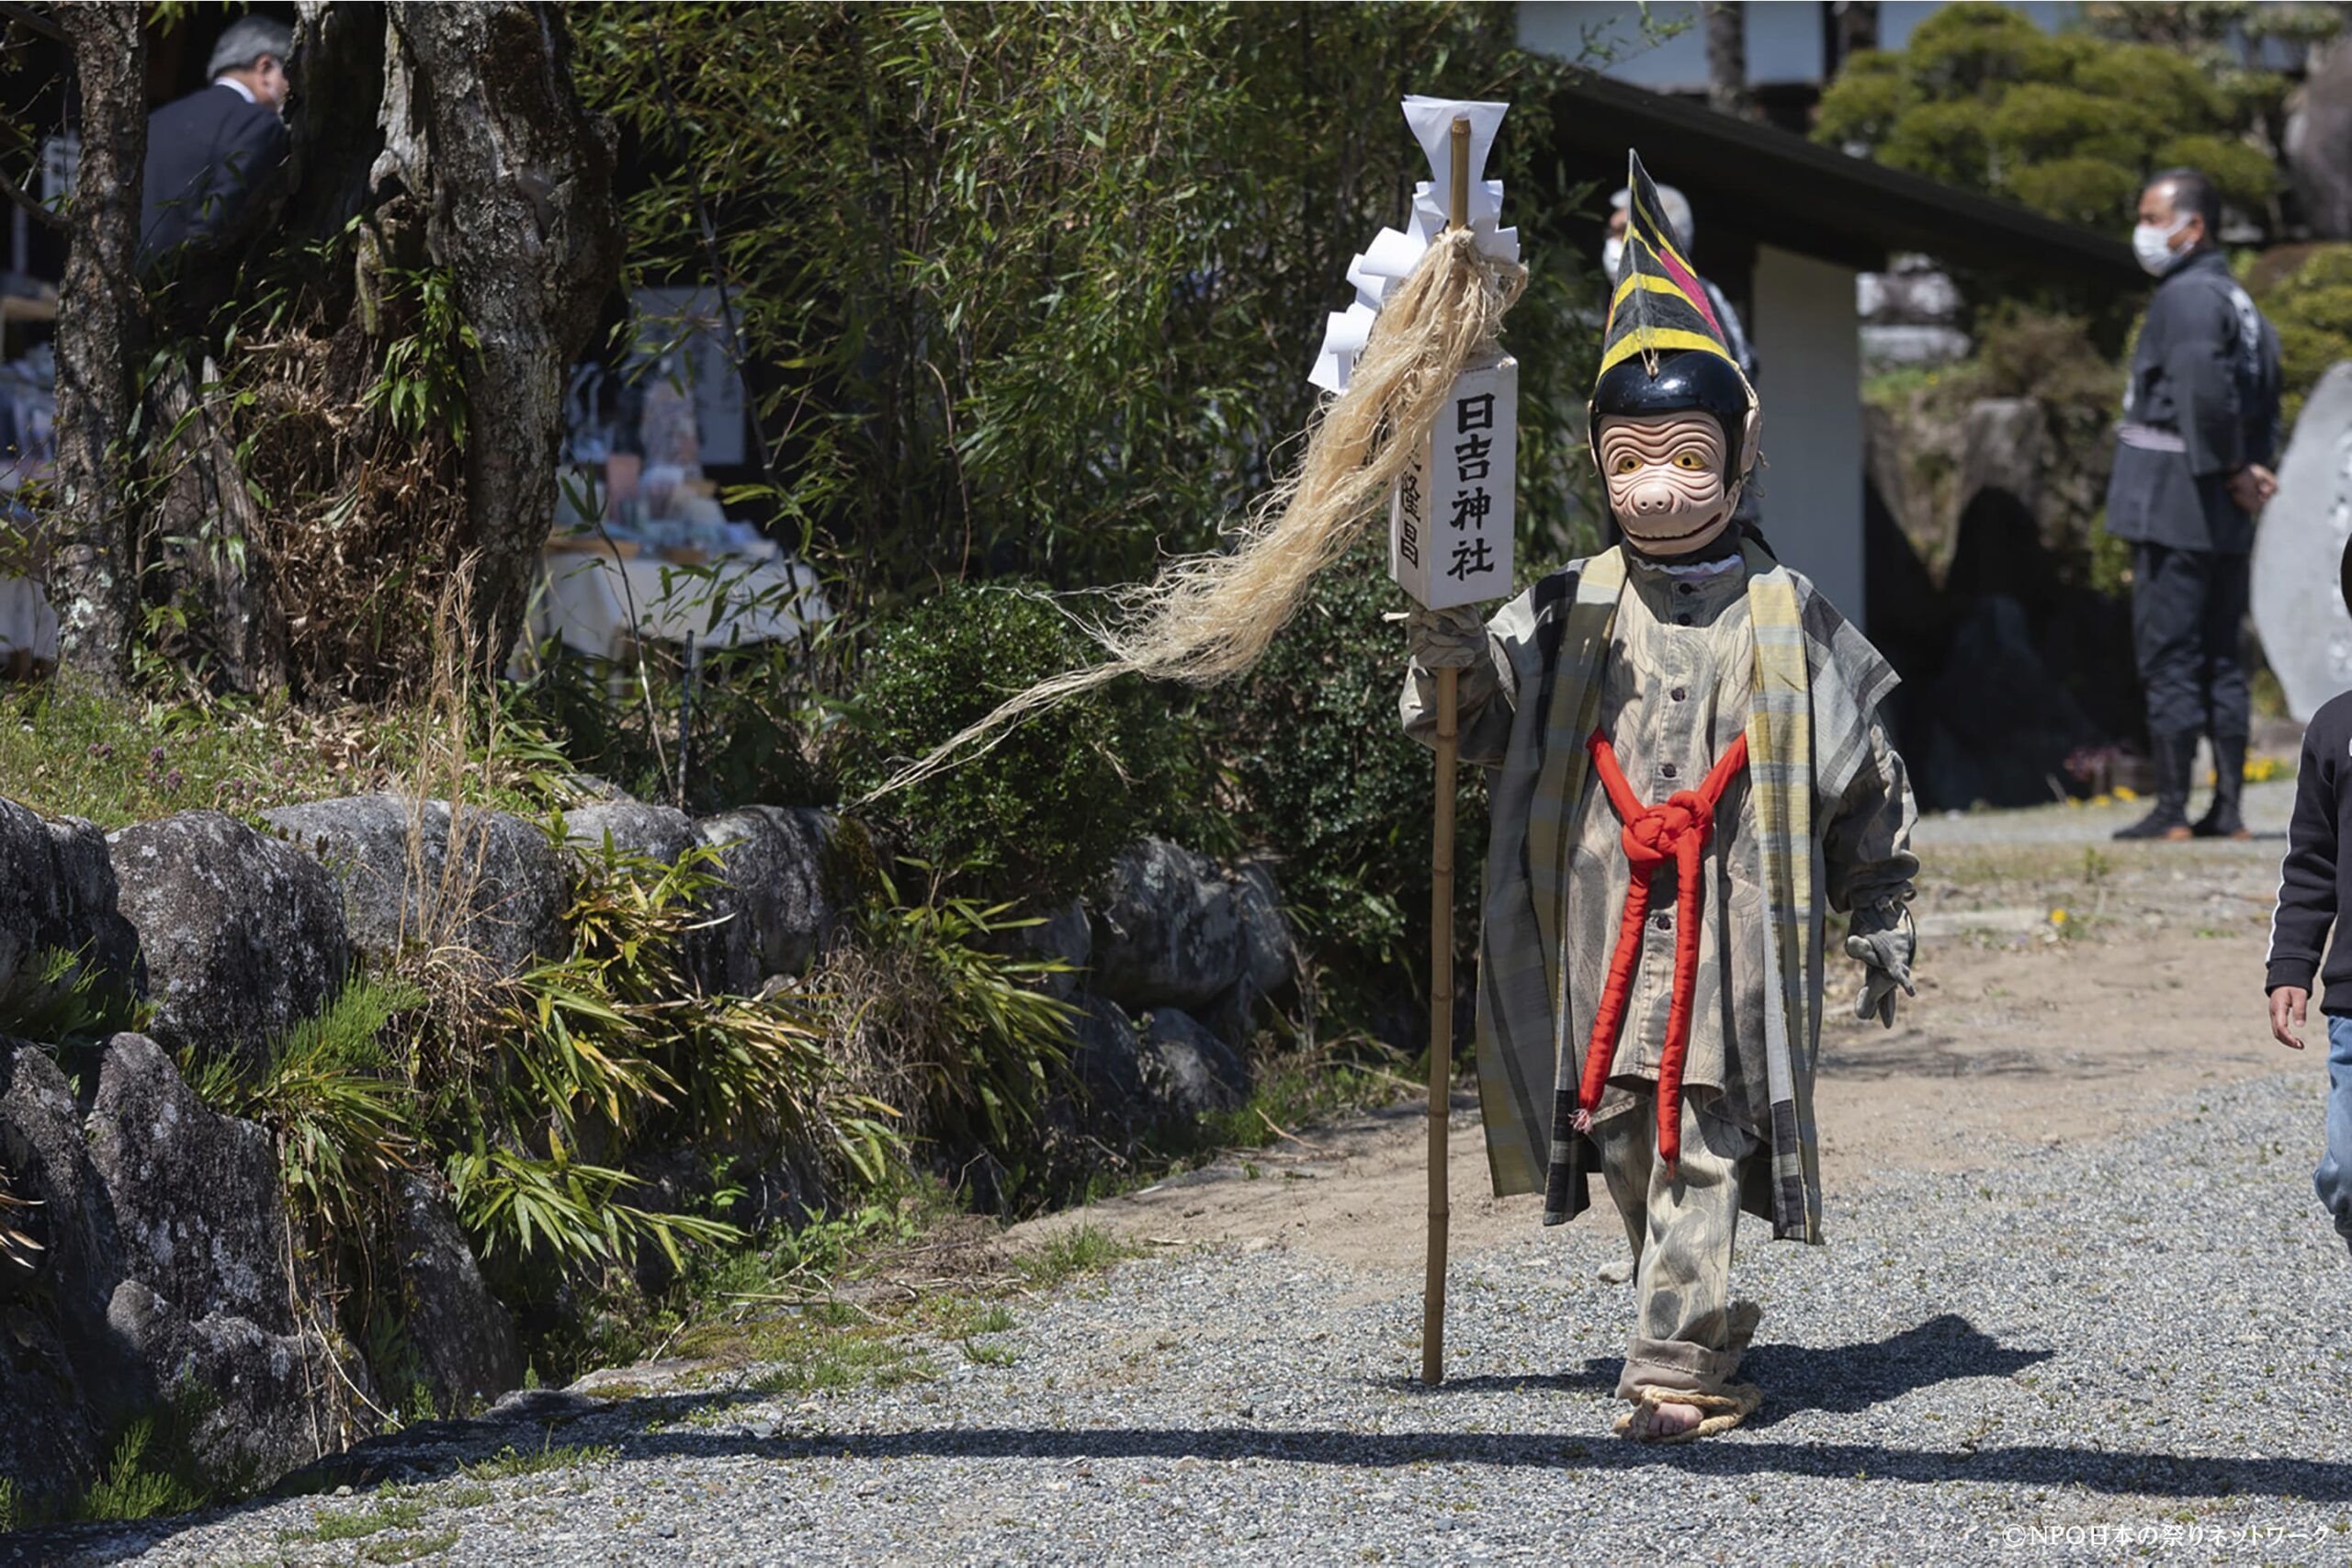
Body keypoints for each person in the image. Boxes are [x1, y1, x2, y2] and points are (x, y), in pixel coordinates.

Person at [1403, 152, 1918, 1442]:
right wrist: (1448, 641)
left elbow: (1868, 768)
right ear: (1596, 461)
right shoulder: (1569, 602)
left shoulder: (1787, 612)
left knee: (1707, 1123)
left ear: (1740, 459)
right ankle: (1684, 1317)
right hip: (1603, 914)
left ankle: (1677, 1362)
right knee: (1625, 1122)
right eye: (1631, 460)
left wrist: (1881, 905)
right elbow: (1467, 727)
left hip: (1738, 913)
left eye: (1687, 456)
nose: (1659, 487)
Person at [2107, 167, 2283, 842]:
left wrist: (2234, 465)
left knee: (2171, 652)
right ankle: (2230, 807)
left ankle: (2174, 807)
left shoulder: (2185, 298)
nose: (2145, 232)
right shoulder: (2241, 302)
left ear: (2192, 226)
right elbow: (2263, 391)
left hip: (2174, 496)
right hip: (2224, 504)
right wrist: (2253, 466)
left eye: (2153, 217)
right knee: (2220, 655)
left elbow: (2203, 390)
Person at [2266, 537, 2352, 1256]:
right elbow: (2310, 864)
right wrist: (2291, 966)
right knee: (2349, 1173)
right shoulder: (2334, 728)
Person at [138, 17, 293, 271]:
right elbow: (214, 225)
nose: (292, 89)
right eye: (290, 75)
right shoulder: (259, 125)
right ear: (265, 69)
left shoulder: (155, 120)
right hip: (175, 292)